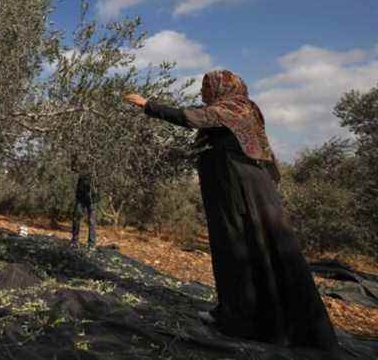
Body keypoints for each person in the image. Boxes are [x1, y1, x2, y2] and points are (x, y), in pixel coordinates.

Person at [122, 70, 338, 353]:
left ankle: (240, 321)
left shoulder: (231, 108)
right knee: (258, 249)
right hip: (247, 188)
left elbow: (191, 118)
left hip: (237, 189)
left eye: (206, 89)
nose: (203, 95)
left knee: (235, 248)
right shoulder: (242, 108)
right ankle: (258, 318)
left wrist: (146, 104)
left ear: (220, 88)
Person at [70, 153, 98, 248]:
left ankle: (91, 243)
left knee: (92, 221)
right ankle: (74, 241)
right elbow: (73, 168)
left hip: (92, 198)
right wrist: (73, 156)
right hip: (81, 196)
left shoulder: (97, 168)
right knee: (76, 218)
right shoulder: (82, 167)